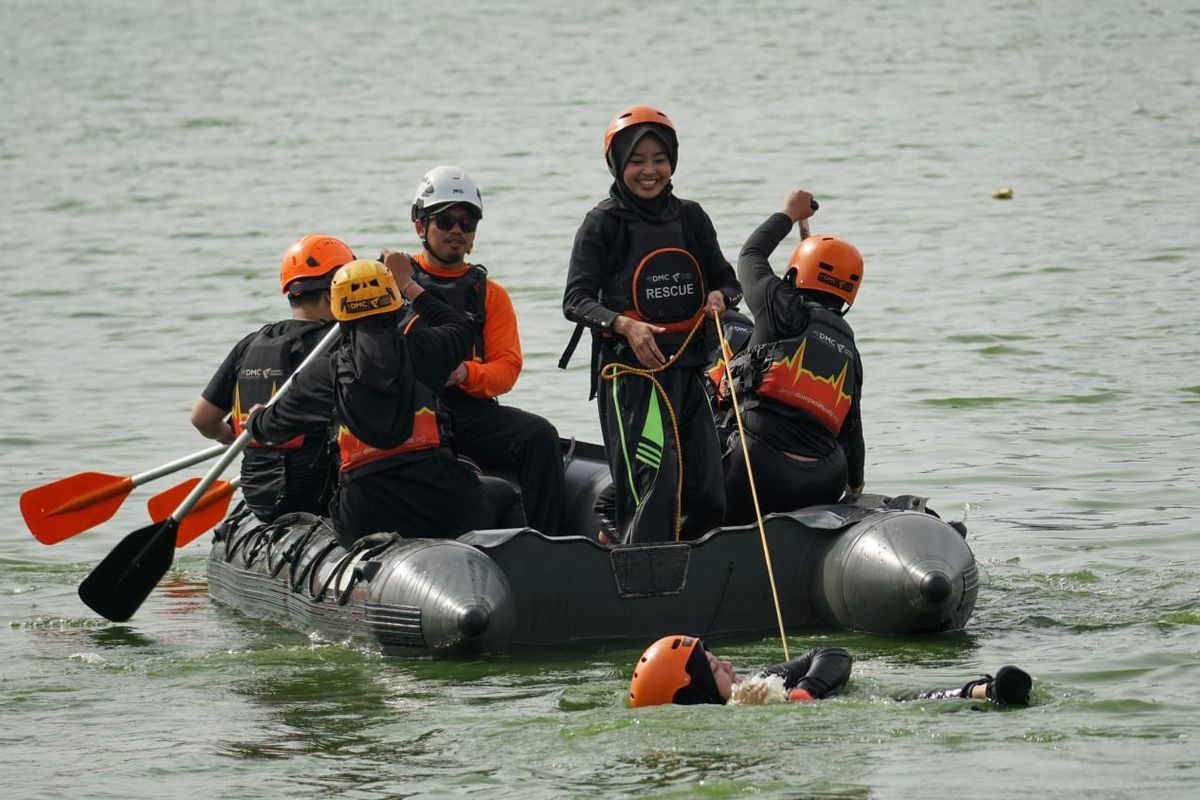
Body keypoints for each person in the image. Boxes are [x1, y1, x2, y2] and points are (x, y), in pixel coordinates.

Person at [562, 105, 743, 544]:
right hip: (631, 378)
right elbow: (575, 301)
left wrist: (719, 298)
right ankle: (637, 567)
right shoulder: (601, 223)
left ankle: (687, 576)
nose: (649, 171)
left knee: (709, 496)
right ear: (617, 163)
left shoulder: (691, 217)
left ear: (673, 161)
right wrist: (624, 325)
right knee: (655, 491)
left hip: (689, 371)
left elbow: (728, 281)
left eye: (659, 159)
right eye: (637, 161)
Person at [247, 257, 506, 547]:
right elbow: (457, 324)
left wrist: (257, 418)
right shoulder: (428, 350)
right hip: (440, 504)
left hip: (363, 518)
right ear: (394, 302)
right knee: (504, 493)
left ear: (338, 311)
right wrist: (408, 285)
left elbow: (272, 429)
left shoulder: (323, 374)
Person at [394, 165, 565, 534]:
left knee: (540, 436)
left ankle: (547, 540)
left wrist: (464, 373)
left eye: (467, 222)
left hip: (466, 412)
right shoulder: (391, 281)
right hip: (404, 415)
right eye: (445, 220)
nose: (457, 230)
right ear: (420, 224)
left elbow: (507, 369)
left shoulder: (490, 294)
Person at [720, 190, 866, 525]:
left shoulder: (779, 305)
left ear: (794, 273)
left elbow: (751, 254)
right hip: (823, 479)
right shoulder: (849, 349)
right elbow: (852, 432)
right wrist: (855, 489)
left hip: (756, 466)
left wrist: (787, 214)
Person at [190, 234, 351, 522]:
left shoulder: (250, 344)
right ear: (332, 293)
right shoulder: (339, 343)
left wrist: (231, 436)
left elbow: (202, 419)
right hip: (317, 495)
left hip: (258, 496)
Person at [627, 635, 1033, 708]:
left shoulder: (761, 686)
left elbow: (834, 653)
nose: (729, 665)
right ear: (692, 690)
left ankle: (983, 692)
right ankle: (983, 694)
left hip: (854, 706)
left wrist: (806, 691)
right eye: (715, 667)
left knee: (903, 702)